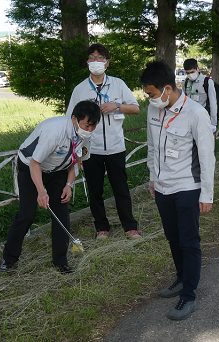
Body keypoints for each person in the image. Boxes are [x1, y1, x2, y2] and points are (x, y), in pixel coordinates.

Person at [140, 61, 215, 321]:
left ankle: (189, 295)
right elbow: (152, 146)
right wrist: (152, 177)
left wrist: (207, 194)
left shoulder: (195, 113)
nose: (149, 98)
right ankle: (181, 279)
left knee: (189, 241)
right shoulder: (154, 110)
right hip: (162, 187)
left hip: (187, 187)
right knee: (173, 238)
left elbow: (207, 156)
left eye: (151, 93)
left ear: (167, 88)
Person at [0, 100, 101, 273]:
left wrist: (69, 184)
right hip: (31, 167)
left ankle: (61, 261)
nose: (90, 130)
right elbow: (34, 163)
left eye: (93, 126)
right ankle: (9, 259)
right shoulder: (55, 131)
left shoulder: (85, 136)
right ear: (74, 118)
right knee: (27, 213)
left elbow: (76, 162)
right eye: (87, 125)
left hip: (59, 171)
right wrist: (41, 191)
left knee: (62, 212)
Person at [66, 43, 141, 241]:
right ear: (87, 62)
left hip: (116, 146)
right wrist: (76, 149)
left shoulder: (118, 84)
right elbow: (70, 119)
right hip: (91, 147)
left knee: (121, 188)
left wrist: (117, 105)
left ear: (107, 63)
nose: (96, 61)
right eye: (92, 58)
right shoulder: (80, 89)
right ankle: (101, 228)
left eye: (100, 58)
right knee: (95, 190)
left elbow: (136, 108)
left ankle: (130, 227)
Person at [182, 58, 218, 132]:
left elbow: (213, 103)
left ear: (198, 69)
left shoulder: (207, 82)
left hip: (203, 119)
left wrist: (213, 123)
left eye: (192, 72)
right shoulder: (185, 83)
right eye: (187, 73)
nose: (190, 75)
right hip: (189, 120)